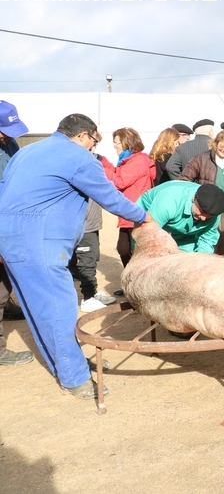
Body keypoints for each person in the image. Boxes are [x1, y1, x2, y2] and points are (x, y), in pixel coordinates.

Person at [0, 114, 153, 398]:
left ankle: (70, 363)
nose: (94, 146)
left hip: (11, 239)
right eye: (94, 140)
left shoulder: (27, 152)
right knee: (59, 309)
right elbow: (110, 197)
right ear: (83, 135)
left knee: (39, 310)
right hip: (40, 242)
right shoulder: (78, 157)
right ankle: (76, 378)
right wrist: (144, 217)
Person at [179, 130, 224, 258]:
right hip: (207, 209)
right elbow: (184, 181)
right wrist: (196, 199)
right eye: (222, 146)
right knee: (209, 245)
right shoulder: (200, 159)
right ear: (216, 143)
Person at [0, 100, 32, 367]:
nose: (9, 137)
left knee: (5, 280)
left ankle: (6, 305)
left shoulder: (9, 145)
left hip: (9, 221)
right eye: (4, 132)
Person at [101, 127, 156, 268]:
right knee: (124, 249)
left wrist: (101, 168)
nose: (114, 146)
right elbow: (118, 173)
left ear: (127, 142)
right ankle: (131, 277)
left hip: (135, 211)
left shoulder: (137, 161)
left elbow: (120, 181)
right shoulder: (128, 160)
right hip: (129, 211)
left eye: (117, 143)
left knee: (131, 250)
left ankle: (136, 278)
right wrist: (102, 161)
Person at [137, 181, 224, 254]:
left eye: (208, 215)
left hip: (184, 233)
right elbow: (147, 234)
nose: (203, 218)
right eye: (202, 212)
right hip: (151, 220)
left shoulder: (214, 211)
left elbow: (207, 239)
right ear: (194, 197)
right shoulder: (168, 202)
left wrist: (201, 262)